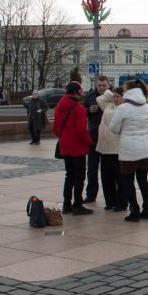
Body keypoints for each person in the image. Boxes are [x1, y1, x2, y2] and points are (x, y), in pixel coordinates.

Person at [110, 79, 148, 222]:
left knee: (128, 180)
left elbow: (114, 128)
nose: (122, 92)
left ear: (128, 90)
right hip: (146, 148)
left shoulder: (123, 108)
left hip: (129, 149)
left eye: (124, 89)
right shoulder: (147, 107)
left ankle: (134, 211)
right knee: (143, 180)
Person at [53, 81, 94, 215]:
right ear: (78, 92)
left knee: (69, 175)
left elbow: (56, 128)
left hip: (65, 146)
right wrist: (90, 142)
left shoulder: (59, 106)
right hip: (78, 148)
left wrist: (64, 138)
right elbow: (82, 131)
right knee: (79, 177)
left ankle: (66, 205)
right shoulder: (79, 108)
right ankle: (77, 205)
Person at [96, 86, 124, 211]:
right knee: (106, 178)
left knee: (119, 178)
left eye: (118, 97)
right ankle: (110, 201)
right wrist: (110, 92)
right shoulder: (108, 106)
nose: (115, 99)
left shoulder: (124, 109)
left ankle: (121, 202)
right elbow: (99, 99)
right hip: (105, 147)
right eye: (114, 97)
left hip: (117, 148)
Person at [83, 75, 110, 203]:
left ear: (108, 85)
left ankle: (110, 196)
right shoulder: (90, 96)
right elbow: (82, 110)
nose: (101, 87)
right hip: (93, 136)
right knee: (92, 169)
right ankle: (91, 194)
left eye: (103, 85)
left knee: (107, 170)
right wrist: (89, 110)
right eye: (99, 85)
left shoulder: (112, 97)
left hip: (108, 137)